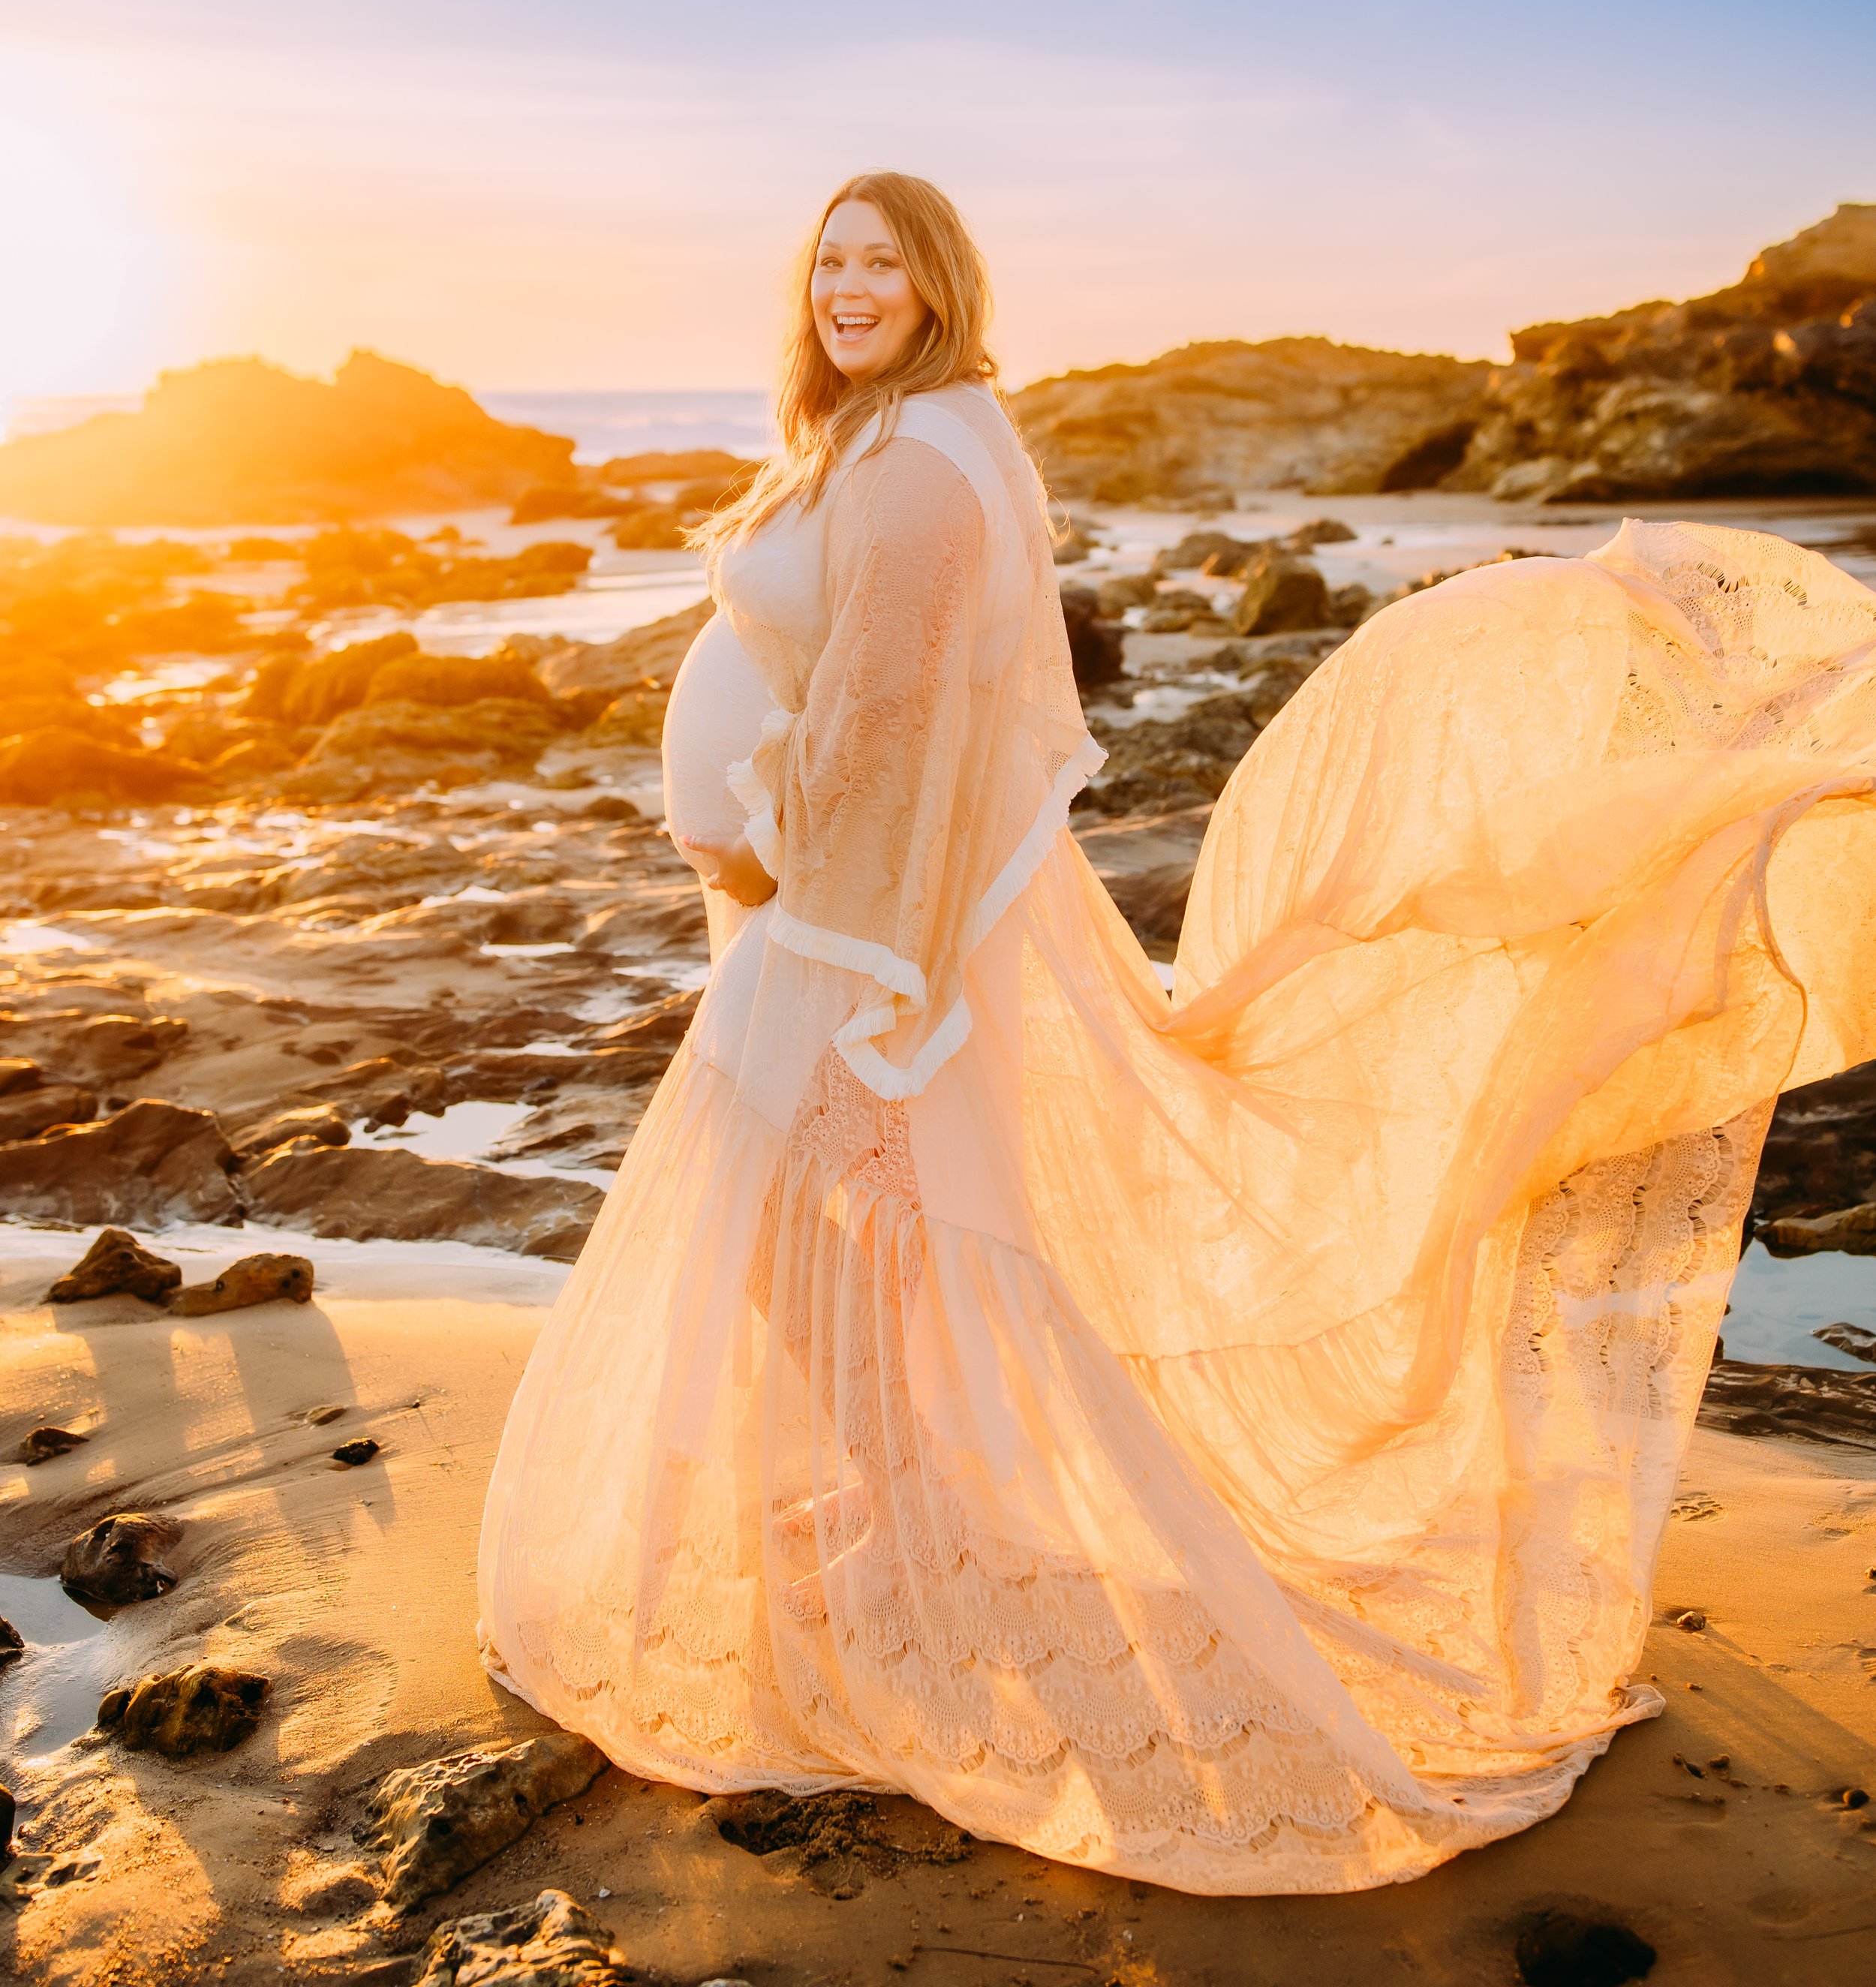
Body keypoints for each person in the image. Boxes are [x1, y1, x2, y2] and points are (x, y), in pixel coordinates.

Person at [480, 170, 1876, 1894]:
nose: (849, 286)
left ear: (937, 284)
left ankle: (924, 1501)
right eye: (829, 261)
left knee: (822, 1203)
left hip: (851, 922)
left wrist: (798, 895)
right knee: (833, 1208)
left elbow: (895, 721)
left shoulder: (921, 460)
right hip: (825, 910)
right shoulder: (879, 434)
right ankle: (907, 1482)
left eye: (882, 263)